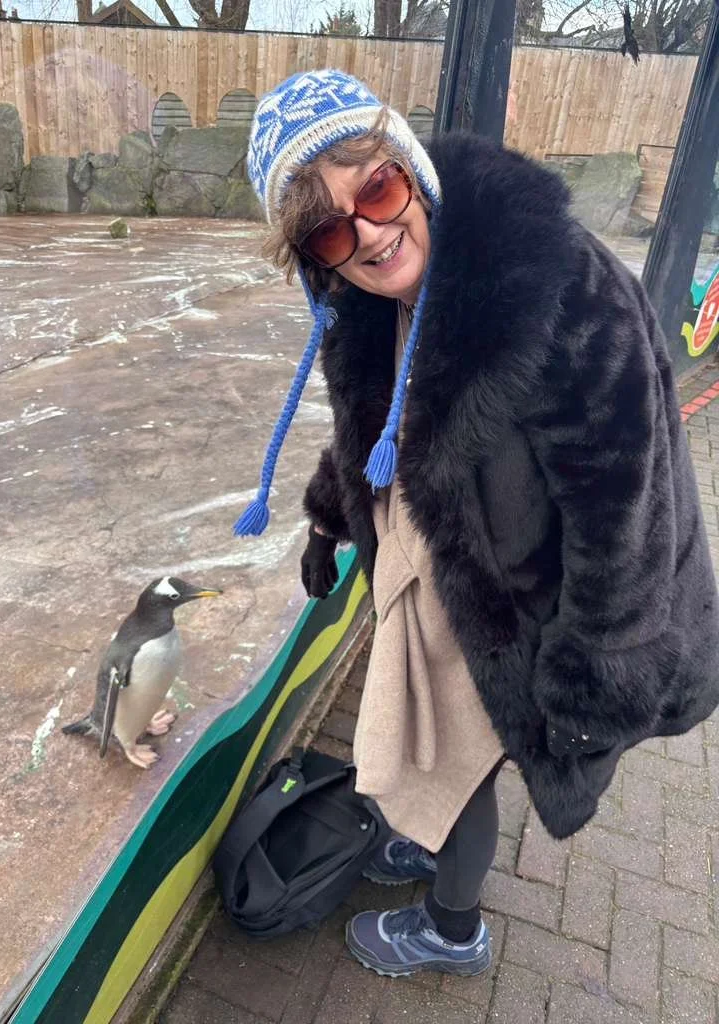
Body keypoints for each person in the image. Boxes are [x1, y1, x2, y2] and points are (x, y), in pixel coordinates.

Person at [233, 69, 719, 978]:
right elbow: (380, 429)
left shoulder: (557, 292)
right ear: (316, 259)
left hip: (542, 612)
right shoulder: (376, 305)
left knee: (462, 766)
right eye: (335, 228)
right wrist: (329, 518)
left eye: (375, 188)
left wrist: (595, 672)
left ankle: (453, 929)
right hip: (464, 578)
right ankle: (426, 839)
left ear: (409, 167)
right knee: (442, 758)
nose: (370, 234)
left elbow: (626, 504)